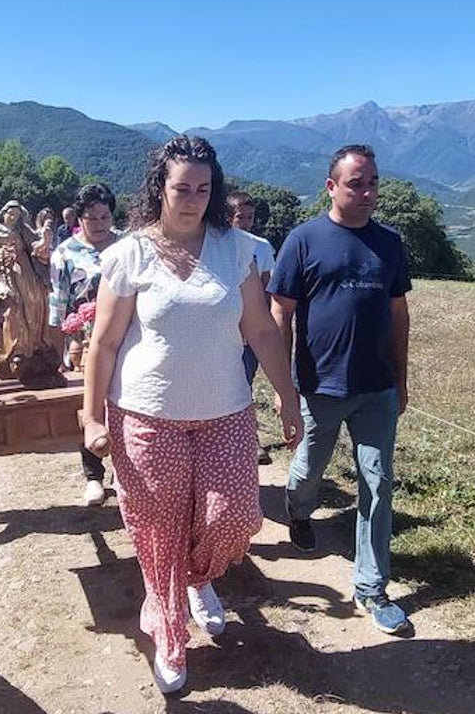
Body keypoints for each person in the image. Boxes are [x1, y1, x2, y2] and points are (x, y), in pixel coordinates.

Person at [82, 136, 302, 694]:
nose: (193, 200)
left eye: (204, 189)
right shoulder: (129, 254)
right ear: (160, 188)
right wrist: (92, 418)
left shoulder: (236, 250)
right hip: (145, 414)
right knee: (158, 530)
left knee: (236, 519)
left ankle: (193, 579)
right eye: (182, 188)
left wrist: (287, 393)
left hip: (225, 411)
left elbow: (259, 329)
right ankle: (169, 632)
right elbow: (104, 344)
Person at [268, 143, 412, 636]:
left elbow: (398, 314)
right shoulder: (304, 240)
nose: (368, 192)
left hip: (377, 389)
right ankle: (298, 509)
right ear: (331, 186)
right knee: (309, 467)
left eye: (373, 182)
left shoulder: (390, 242)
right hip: (319, 386)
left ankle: (372, 589)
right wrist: (284, 387)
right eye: (357, 183)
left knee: (378, 482)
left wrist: (402, 377)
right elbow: (280, 312)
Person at [47, 183, 120, 505]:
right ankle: (93, 475)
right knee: (89, 404)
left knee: (125, 402)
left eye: (105, 216)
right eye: (92, 217)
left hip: (128, 337)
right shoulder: (65, 253)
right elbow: (58, 303)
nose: (100, 223)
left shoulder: (127, 245)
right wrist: (58, 348)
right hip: (84, 338)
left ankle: (125, 468)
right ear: (79, 218)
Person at [0, 200, 63, 383]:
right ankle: (18, 350)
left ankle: (36, 344)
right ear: (3, 214)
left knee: (34, 303)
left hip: (25, 271)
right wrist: (3, 253)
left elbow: (37, 248)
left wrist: (44, 242)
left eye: (17, 215)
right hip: (6, 277)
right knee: (13, 310)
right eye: (10, 214)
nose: (13, 218)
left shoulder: (23, 230)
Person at [226, 190, 277, 465]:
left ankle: (249, 438)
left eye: (249, 217)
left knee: (244, 383)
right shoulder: (217, 244)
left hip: (250, 330)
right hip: (223, 328)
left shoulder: (261, 246)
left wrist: (263, 322)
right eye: (240, 217)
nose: (246, 222)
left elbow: (267, 286)